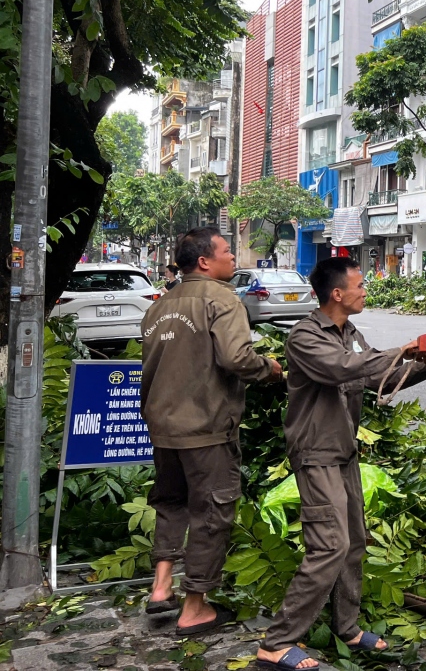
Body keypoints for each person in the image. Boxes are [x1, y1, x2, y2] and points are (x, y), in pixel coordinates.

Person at [257, 257, 426, 671]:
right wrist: (407, 347)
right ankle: (277, 642)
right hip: (316, 453)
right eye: (359, 285)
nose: (364, 290)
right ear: (336, 293)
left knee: (354, 541)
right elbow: (342, 368)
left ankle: (348, 628)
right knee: (329, 546)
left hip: (344, 453)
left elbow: (382, 376)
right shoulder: (305, 337)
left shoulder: (351, 333)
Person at [140, 228, 283, 635]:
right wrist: (268, 369)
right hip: (205, 427)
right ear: (204, 261)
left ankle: (160, 586)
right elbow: (237, 357)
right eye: (227, 252)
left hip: (163, 426)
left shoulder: (161, 304)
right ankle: (194, 607)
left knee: (171, 502)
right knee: (211, 512)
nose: (233, 258)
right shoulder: (221, 299)